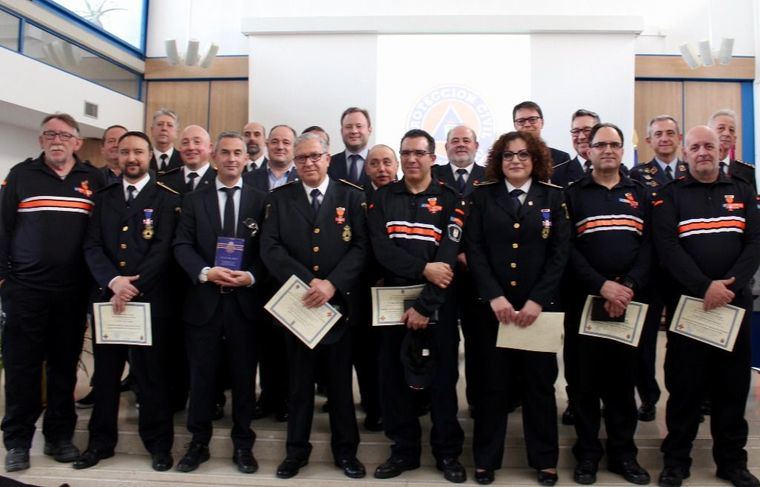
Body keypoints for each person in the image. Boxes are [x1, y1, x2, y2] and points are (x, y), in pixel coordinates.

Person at [653, 125, 760, 487]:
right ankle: (675, 462)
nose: (703, 152)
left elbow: (754, 243)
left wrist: (729, 286)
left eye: (709, 146)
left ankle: (732, 462)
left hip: (733, 307)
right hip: (689, 307)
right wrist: (704, 287)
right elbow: (668, 247)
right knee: (685, 387)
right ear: (685, 153)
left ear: (721, 151)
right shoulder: (670, 195)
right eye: (696, 147)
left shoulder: (742, 190)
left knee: (732, 387)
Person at [1, 113, 104, 472]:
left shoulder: (94, 178)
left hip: (72, 293)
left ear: (77, 142)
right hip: (26, 291)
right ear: (41, 140)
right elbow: (3, 228)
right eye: (49, 134)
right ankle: (17, 442)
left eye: (64, 135)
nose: (56, 140)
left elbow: (101, 234)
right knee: (21, 368)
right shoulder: (21, 175)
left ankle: (59, 437)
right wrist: (4, 281)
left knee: (64, 368)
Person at [261, 132, 368, 479]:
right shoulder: (279, 199)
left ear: (327, 158)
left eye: (314, 156)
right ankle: (296, 452)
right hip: (299, 307)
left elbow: (361, 247)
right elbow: (270, 247)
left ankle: (346, 452)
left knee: (339, 386)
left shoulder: (351, 196)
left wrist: (331, 284)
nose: (308, 163)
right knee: (299, 386)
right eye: (301, 158)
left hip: (338, 308)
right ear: (295, 162)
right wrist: (309, 282)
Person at [466, 131, 570, 486]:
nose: (515, 160)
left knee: (539, 387)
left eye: (523, 154)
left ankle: (545, 460)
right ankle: (486, 459)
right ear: (499, 160)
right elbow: (474, 249)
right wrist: (494, 296)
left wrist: (537, 300)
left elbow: (560, 253)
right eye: (508, 155)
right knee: (492, 386)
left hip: (538, 311)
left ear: (535, 159)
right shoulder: (482, 196)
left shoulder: (553, 197)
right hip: (493, 311)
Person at [368, 129, 467, 483]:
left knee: (443, 380)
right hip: (392, 304)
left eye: (419, 153)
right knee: (393, 380)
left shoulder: (452, 199)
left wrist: (425, 306)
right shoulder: (382, 198)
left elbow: (448, 258)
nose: (412, 159)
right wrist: (423, 268)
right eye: (406, 153)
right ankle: (403, 451)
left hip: (438, 303)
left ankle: (447, 453)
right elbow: (382, 251)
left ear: (432, 158)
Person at [76, 131, 179, 471]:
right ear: (116, 156)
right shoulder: (103, 197)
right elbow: (91, 245)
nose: (131, 158)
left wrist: (132, 286)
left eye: (138, 152)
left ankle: (159, 444)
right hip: (109, 301)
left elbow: (163, 248)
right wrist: (114, 281)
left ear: (150, 156)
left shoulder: (166, 197)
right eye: (125, 152)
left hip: (149, 302)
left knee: (151, 377)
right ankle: (100, 443)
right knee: (106, 376)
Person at [173, 132, 267, 474]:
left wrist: (251, 276)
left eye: (237, 153)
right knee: (201, 379)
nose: (231, 158)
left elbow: (269, 249)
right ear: (214, 157)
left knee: (244, 378)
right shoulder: (193, 200)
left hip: (245, 304)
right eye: (225, 152)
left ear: (246, 159)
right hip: (204, 303)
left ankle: (243, 444)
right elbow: (181, 245)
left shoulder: (262, 200)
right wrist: (205, 272)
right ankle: (198, 443)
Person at [564, 123, 652, 485]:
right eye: (600, 145)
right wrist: (602, 286)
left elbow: (650, 246)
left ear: (622, 150)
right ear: (588, 150)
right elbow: (566, 248)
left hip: (628, 303)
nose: (608, 151)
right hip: (586, 301)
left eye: (614, 145)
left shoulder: (640, 193)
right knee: (584, 383)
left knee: (622, 383)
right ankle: (587, 454)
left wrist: (626, 286)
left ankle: (623, 454)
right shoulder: (572, 194)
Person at [628, 115, 687, 423]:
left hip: (685, 272)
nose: (664, 138)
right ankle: (648, 397)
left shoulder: (691, 171)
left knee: (683, 340)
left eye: (670, 133)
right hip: (651, 272)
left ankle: (686, 398)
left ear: (679, 137)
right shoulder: (637, 175)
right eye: (658, 134)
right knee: (645, 341)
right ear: (649, 140)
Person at [242, 124, 299, 423]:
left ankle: (288, 398)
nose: (280, 146)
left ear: (294, 147)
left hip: (292, 273)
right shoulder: (249, 177)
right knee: (264, 340)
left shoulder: (303, 177)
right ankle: (267, 395)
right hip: (257, 272)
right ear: (266, 144)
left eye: (286, 142)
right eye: (274, 141)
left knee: (290, 341)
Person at [432, 125, 486, 416]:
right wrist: (454, 253)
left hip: (479, 277)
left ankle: (478, 400)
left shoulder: (491, 177)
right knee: (443, 344)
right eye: (455, 141)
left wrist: (471, 255)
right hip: (443, 275)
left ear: (476, 146)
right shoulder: (433, 175)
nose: (461, 145)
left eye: (467, 140)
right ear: (446, 147)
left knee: (478, 344)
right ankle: (442, 406)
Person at [707, 109, 757, 192]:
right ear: (708, 134)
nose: (727, 133)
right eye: (721, 128)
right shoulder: (699, 167)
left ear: (734, 139)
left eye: (731, 130)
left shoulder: (746, 172)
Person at [158, 125, 217, 195]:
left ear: (210, 148)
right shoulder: (165, 182)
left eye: (197, 142)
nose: (191, 147)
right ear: (180, 148)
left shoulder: (220, 179)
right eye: (185, 143)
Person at [551, 109, 600, 188]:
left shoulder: (614, 169)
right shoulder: (557, 174)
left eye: (587, 130)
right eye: (576, 131)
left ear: (599, 132)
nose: (581, 137)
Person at [513, 101, 570, 167]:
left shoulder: (562, 160)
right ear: (515, 126)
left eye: (532, 119)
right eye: (521, 121)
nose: (527, 124)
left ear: (542, 122)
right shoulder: (507, 160)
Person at [328, 107, 372, 186]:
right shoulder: (329, 164)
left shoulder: (381, 165)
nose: (354, 131)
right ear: (342, 131)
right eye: (348, 127)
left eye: (359, 126)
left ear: (369, 130)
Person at [149, 108, 182, 175]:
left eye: (169, 125)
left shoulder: (183, 159)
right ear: (152, 130)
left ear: (176, 133)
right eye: (160, 124)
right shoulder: (144, 158)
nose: (164, 128)